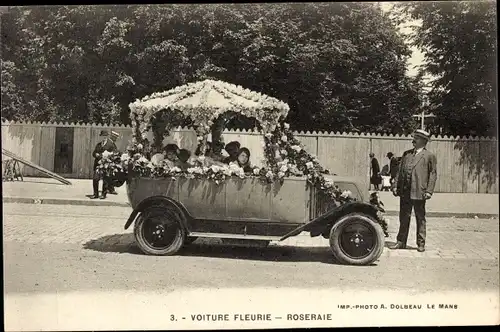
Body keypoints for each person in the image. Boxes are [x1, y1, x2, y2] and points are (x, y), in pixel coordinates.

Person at [390, 129, 437, 253]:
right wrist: (395, 185)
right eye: (414, 138)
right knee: (403, 217)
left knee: (420, 217)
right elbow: (400, 172)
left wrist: (429, 191)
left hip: (419, 192)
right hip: (405, 191)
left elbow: (433, 174)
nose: (413, 141)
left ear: (423, 141)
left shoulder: (429, 156)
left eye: (416, 139)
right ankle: (401, 241)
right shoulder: (407, 154)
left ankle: (421, 243)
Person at [91, 130, 117, 199]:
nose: (104, 137)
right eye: (102, 136)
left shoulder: (111, 144)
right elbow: (93, 153)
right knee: (95, 179)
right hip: (98, 164)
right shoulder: (98, 145)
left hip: (106, 165)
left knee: (105, 180)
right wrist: (95, 154)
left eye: (105, 136)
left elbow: (115, 153)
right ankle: (95, 194)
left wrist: (108, 156)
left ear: (107, 136)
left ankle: (103, 194)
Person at [107, 131, 120, 195]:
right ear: (112, 136)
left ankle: (109, 188)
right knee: (110, 176)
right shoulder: (109, 143)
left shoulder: (112, 143)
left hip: (112, 160)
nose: (116, 139)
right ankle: (111, 189)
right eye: (115, 137)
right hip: (109, 161)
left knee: (110, 176)